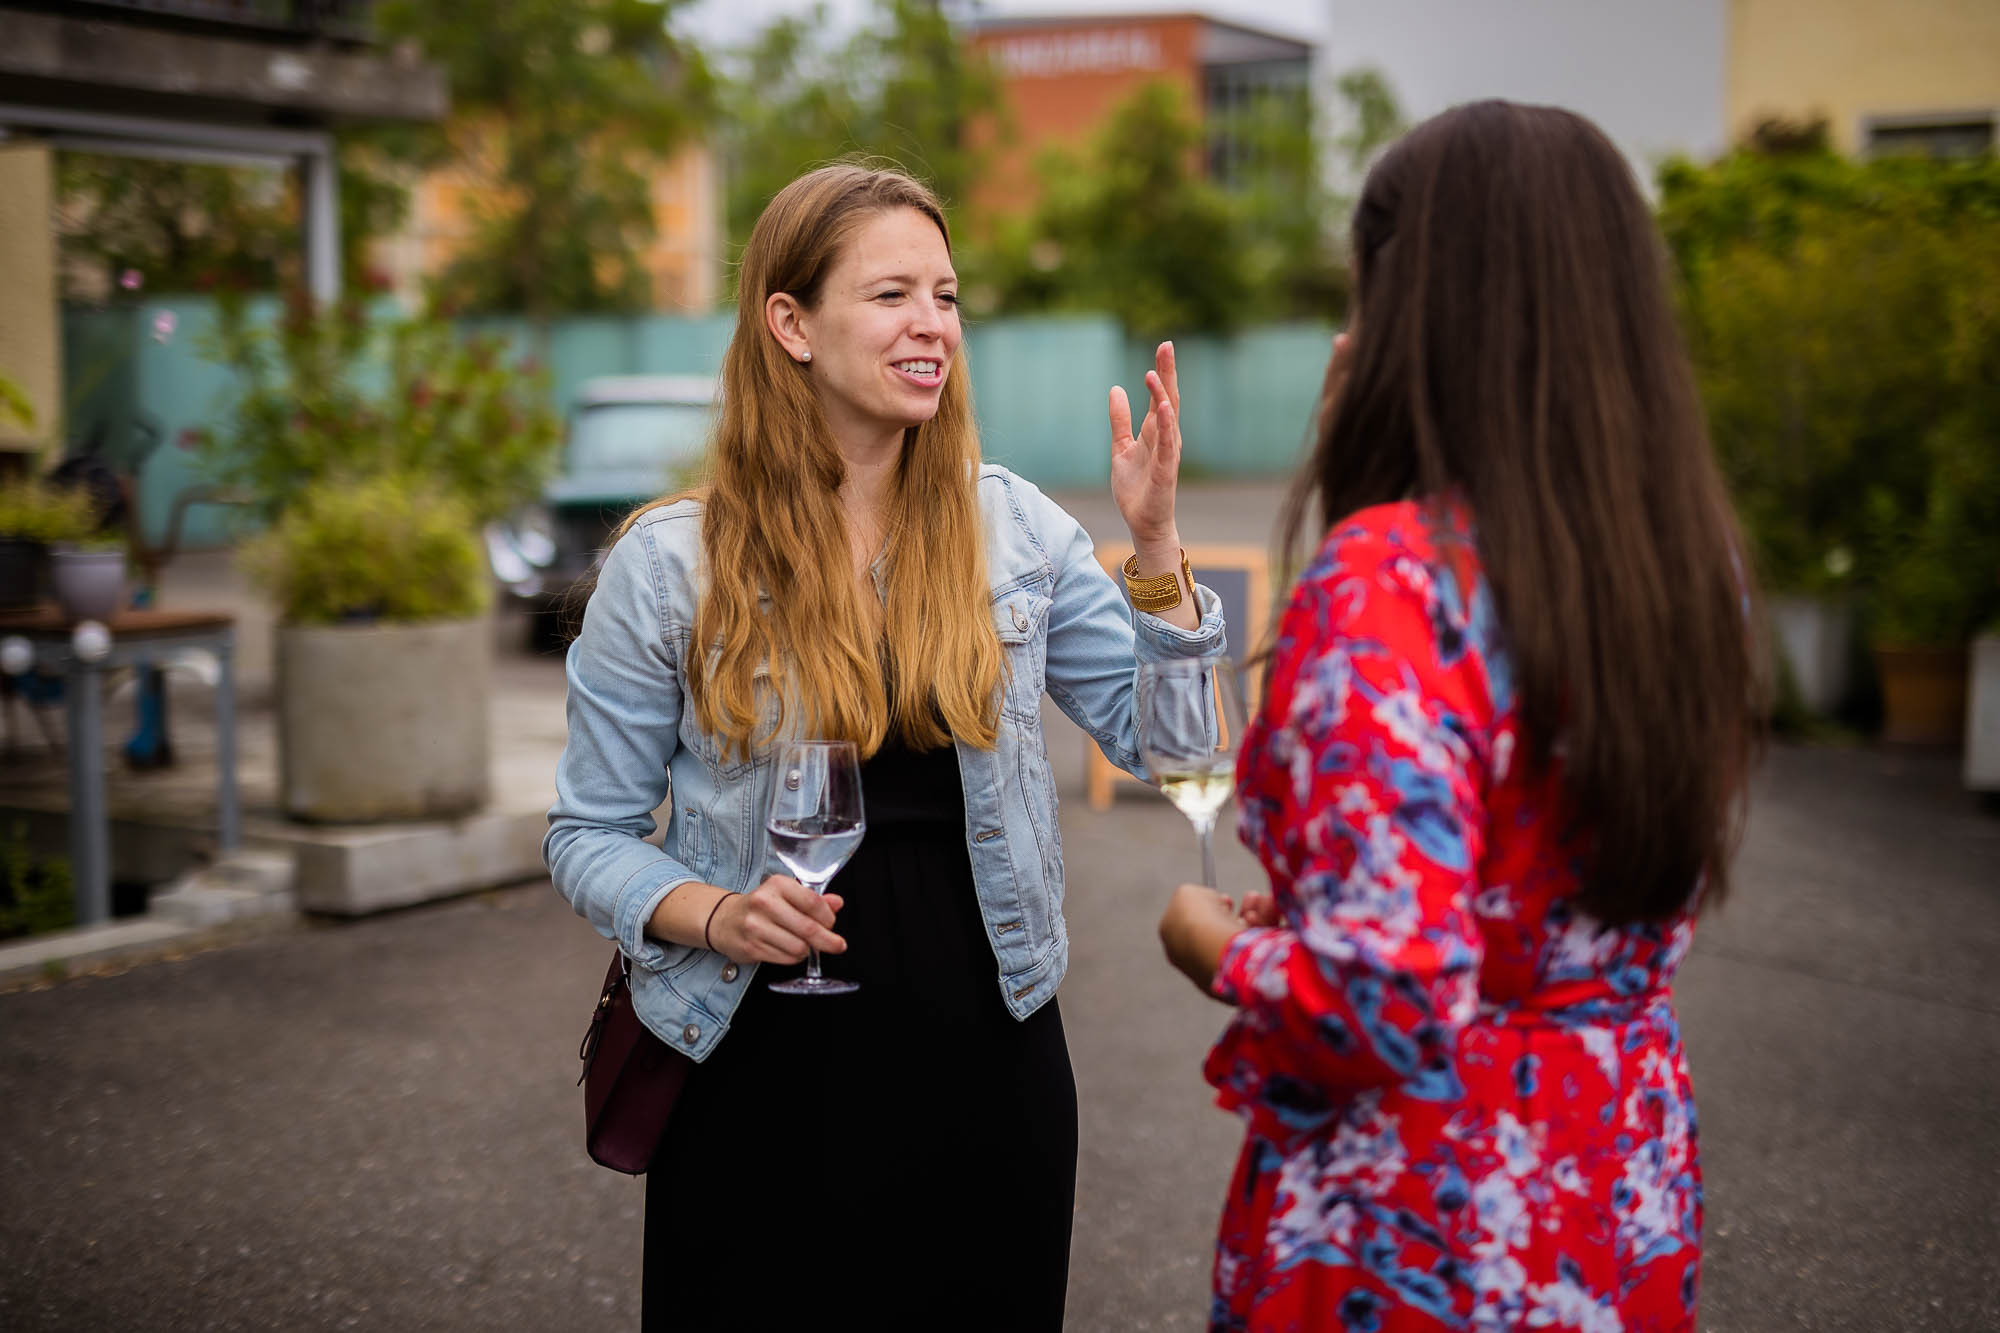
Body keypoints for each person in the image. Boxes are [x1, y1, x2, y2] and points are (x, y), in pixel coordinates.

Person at [545, 163, 1226, 1330]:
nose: (932, 326)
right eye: (892, 294)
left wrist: (1153, 549)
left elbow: (1183, 758)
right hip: (756, 1057)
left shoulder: (1012, 526)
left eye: (948, 296)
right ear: (790, 323)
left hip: (987, 1054)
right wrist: (712, 912)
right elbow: (584, 835)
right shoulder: (669, 565)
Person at [1155, 101, 1761, 1331]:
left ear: (1413, 304)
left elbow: (1389, 1000)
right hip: (1616, 1176)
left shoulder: (1390, 576)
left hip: (1429, 1209)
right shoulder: (1688, 562)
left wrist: (1213, 943)